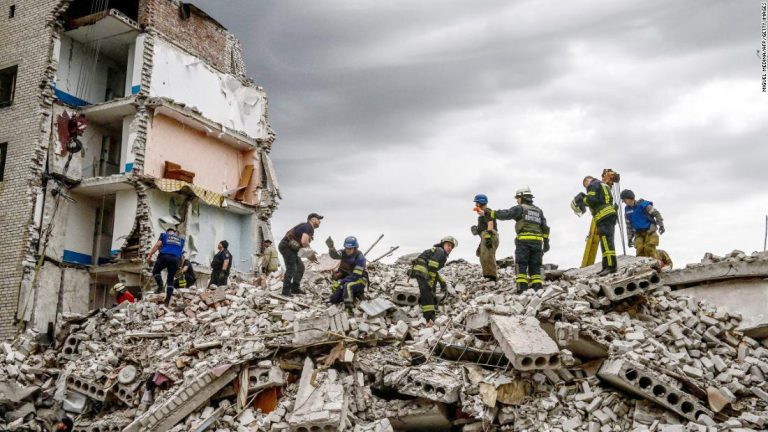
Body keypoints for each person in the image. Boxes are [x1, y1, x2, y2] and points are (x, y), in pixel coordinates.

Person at [493, 187, 550, 292]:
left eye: (518, 198)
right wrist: (546, 242)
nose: (517, 200)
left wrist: (491, 213)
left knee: (521, 264)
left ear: (522, 198)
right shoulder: (539, 211)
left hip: (524, 242)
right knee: (536, 265)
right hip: (538, 243)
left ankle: (522, 290)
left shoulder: (520, 208)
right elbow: (545, 228)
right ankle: (537, 289)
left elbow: (506, 214)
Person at [574, 175, 618, 276]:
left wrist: (582, 200)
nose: (586, 188)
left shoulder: (593, 184)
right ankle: (606, 266)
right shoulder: (604, 185)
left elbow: (591, 200)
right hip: (609, 214)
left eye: (585, 185)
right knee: (606, 242)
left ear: (588, 180)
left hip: (603, 216)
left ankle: (611, 266)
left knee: (607, 243)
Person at [408, 236, 457, 323]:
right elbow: (432, 267)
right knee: (427, 292)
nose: (450, 248)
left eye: (451, 247)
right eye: (448, 245)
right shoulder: (440, 251)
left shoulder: (440, 253)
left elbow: (435, 271)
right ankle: (429, 317)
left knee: (430, 290)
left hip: (423, 271)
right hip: (422, 270)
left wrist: (442, 282)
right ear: (443, 244)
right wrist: (430, 281)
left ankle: (429, 310)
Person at [278, 213, 322, 296]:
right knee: (292, 268)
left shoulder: (306, 227)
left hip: (292, 248)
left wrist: (311, 257)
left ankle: (295, 288)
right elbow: (304, 242)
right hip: (287, 247)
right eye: (318, 219)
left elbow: (301, 246)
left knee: (300, 267)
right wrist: (311, 253)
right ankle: (285, 292)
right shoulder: (308, 226)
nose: (320, 221)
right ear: (312, 219)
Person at [620, 189, 665, 259]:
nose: (624, 202)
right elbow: (628, 225)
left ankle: (658, 262)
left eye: (624, 200)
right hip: (638, 233)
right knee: (639, 249)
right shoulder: (627, 210)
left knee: (649, 249)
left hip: (650, 231)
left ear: (629, 198)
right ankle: (642, 268)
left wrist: (661, 225)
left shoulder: (643, 205)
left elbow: (656, 213)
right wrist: (629, 238)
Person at [146, 227, 185, 306]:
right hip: (175, 259)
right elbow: (181, 256)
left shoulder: (164, 235)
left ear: (167, 232)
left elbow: (157, 245)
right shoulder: (181, 240)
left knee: (156, 271)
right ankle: (167, 301)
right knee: (170, 280)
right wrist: (180, 266)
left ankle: (160, 287)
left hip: (164, 256)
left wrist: (150, 255)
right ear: (174, 233)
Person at [326, 236, 368, 306]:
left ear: (355, 248)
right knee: (334, 299)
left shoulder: (360, 258)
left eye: (350, 249)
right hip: (349, 277)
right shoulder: (343, 252)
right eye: (346, 248)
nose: (347, 250)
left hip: (359, 280)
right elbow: (335, 255)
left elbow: (356, 276)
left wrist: (341, 281)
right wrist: (331, 248)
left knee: (348, 286)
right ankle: (353, 294)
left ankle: (349, 307)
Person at [472, 194, 499, 281]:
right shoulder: (482, 215)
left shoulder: (487, 211)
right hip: (486, 235)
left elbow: (490, 223)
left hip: (489, 235)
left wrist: (488, 237)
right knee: (482, 254)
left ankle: (491, 276)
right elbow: (484, 227)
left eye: (477, 203)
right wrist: (476, 230)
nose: (476, 205)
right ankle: (488, 274)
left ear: (481, 203)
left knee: (487, 255)